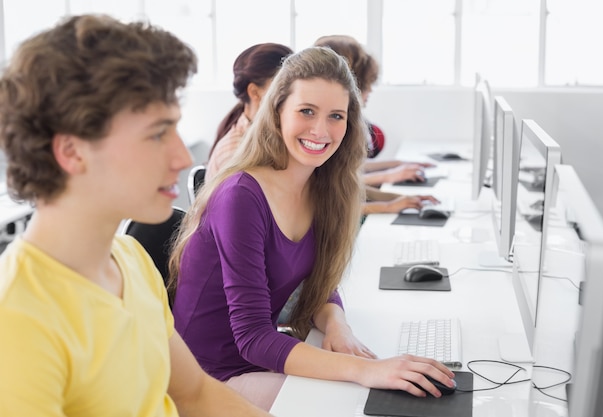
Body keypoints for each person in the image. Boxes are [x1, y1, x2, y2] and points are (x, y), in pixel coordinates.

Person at [0, 14, 270, 417]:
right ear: (72, 151)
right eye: (157, 133)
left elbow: (195, 393)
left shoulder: (131, 259)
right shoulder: (18, 319)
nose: (181, 157)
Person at [168, 46, 456, 411]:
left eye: (336, 116)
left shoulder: (322, 187)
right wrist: (366, 371)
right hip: (206, 378)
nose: (321, 130)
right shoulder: (241, 195)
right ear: (277, 112)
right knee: (360, 399)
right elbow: (254, 338)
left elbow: (321, 283)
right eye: (306, 111)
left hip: (255, 362)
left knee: (380, 393)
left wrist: (338, 325)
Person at [313, 35, 438, 214]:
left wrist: (397, 169)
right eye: (367, 83)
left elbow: (347, 174)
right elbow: (329, 190)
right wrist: (389, 189)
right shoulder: (325, 131)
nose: (370, 90)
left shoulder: (347, 122)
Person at [206, 43, 293, 179]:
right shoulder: (235, 152)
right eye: (282, 87)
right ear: (254, 92)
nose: (293, 94)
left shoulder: (273, 135)